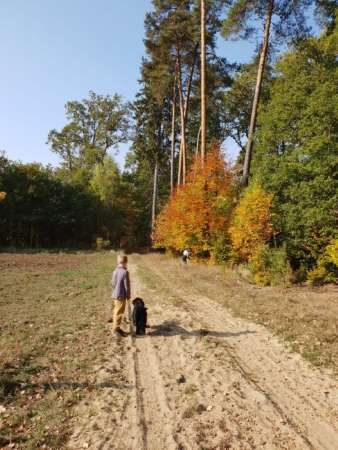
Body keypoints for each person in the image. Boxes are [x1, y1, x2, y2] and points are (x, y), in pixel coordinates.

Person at [111, 255, 131, 337]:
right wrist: (128, 295)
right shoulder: (125, 272)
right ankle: (115, 330)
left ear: (118, 262)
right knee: (119, 313)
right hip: (121, 296)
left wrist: (116, 290)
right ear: (126, 262)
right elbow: (127, 286)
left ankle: (117, 328)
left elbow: (112, 284)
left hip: (115, 295)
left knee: (116, 311)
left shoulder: (115, 271)